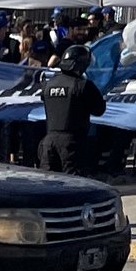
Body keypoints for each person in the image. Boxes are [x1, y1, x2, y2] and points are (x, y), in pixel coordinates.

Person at [37, 45, 104, 177]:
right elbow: (99, 109)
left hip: (48, 142)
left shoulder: (48, 84)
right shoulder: (82, 85)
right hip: (72, 144)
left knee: (48, 185)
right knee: (74, 186)